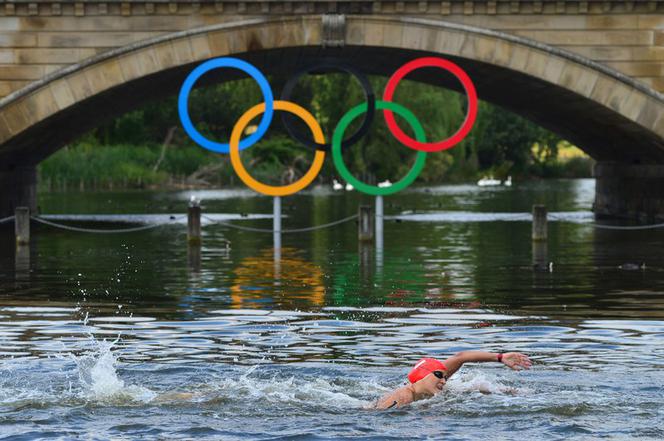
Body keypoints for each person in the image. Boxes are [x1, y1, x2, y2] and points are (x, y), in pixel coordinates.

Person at [374, 351, 532, 409]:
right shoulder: (403, 397)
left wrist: (500, 357)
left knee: (478, 387)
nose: (444, 381)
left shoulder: (435, 376)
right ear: (423, 376)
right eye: (439, 376)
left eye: (445, 376)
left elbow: (461, 357)